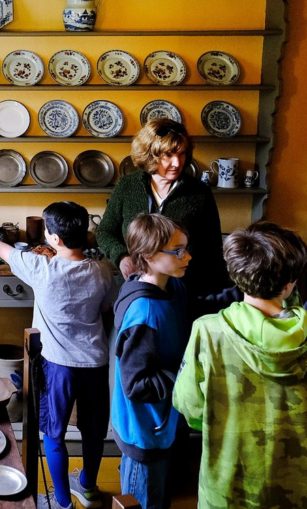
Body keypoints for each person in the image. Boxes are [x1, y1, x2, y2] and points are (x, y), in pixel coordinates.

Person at [0, 201, 117, 509]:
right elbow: (105, 308)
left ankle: (62, 501)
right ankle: (87, 486)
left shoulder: (40, 267)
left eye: (47, 230)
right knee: (92, 430)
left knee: (54, 432)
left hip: (57, 364)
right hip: (95, 363)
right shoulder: (101, 270)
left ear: (55, 239)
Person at [173, 222, 307, 508]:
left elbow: (190, 406)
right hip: (304, 477)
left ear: (235, 276)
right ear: (289, 285)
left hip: (231, 478)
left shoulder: (208, 331)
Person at [111, 214, 195, 509]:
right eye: (178, 251)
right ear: (147, 255)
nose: (188, 256)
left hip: (162, 423)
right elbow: (135, 383)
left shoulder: (172, 287)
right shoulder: (143, 312)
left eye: (186, 248)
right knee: (143, 502)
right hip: (145, 431)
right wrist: (187, 376)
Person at [97, 118, 227, 295]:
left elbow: (212, 250)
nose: (177, 163)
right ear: (151, 154)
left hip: (185, 292)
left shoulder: (199, 192)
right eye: (169, 155)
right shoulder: (127, 186)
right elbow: (105, 232)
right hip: (134, 288)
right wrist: (121, 257)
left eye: (181, 154)